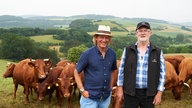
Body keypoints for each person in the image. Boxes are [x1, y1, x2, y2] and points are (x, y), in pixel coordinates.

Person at [116, 21, 166, 108]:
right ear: (136, 33)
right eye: (140, 30)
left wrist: (159, 93)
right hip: (130, 93)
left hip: (149, 94)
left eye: (145, 30)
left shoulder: (157, 51)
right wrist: (120, 89)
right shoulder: (128, 50)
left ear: (150, 33)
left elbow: (162, 74)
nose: (143, 33)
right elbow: (121, 71)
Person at [74, 25, 117, 108]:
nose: (104, 40)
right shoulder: (87, 54)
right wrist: (82, 90)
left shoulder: (112, 54)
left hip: (105, 97)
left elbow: (113, 71)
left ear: (109, 40)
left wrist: (111, 87)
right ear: (96, 38)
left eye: (106, 38)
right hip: (90, 97)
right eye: (101, 37)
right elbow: (76, 71)